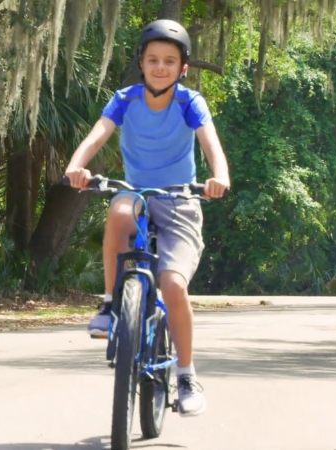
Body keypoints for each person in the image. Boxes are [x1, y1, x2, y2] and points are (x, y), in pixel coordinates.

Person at [64, 19, 230, 417]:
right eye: (153, 59)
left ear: (182, 68)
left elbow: (211, 144)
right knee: (120, 209)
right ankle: (109, 305)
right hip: (136, 193)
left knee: (173, 285)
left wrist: (219, 177)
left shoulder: (190, 103)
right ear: (141, 63)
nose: (160, 67)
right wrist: (77, 165)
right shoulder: (125, 99)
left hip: (179, 200)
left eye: (169, 61)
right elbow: (97, 135)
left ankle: (187, 376)